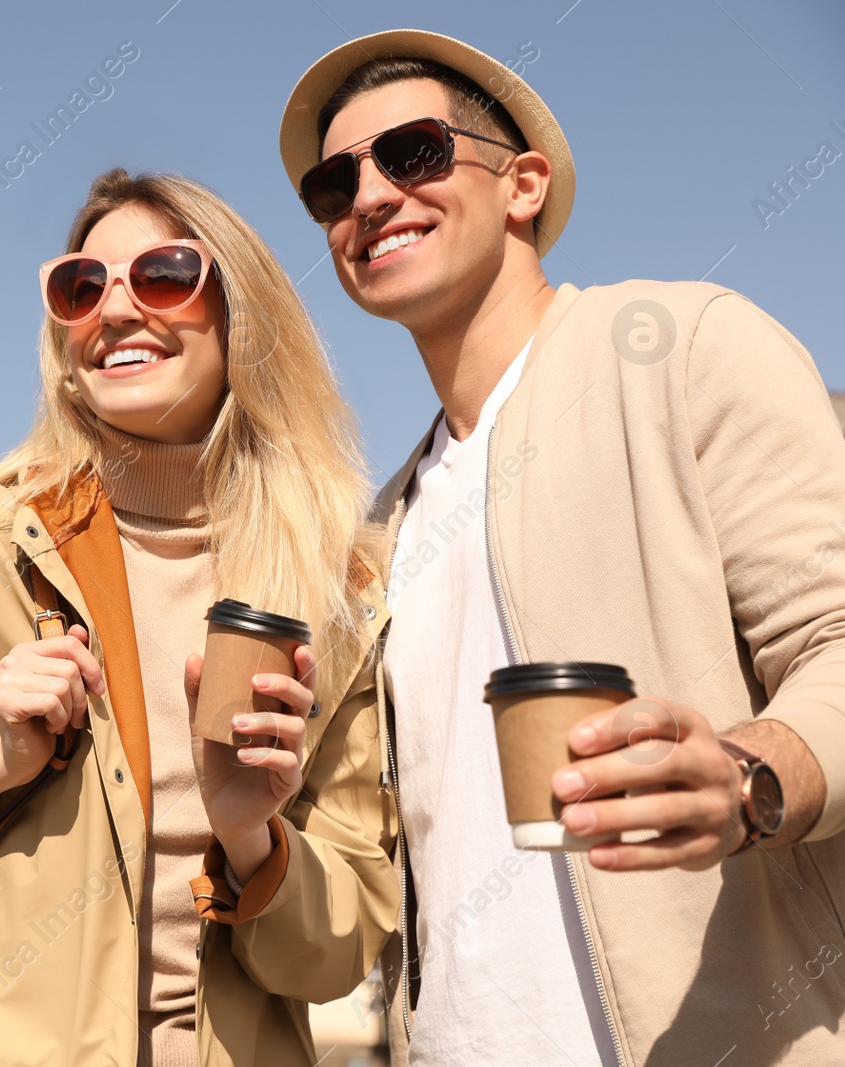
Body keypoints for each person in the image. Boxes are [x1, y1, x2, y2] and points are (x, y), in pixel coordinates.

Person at [276, 28, 845, 1067]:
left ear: (522, 184)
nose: (366, 196)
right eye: (331, 182)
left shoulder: (686, 347)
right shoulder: (380, 531)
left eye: (410, 153)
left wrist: (750, 776)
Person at [0, 168, 399, 1066]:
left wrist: (250, 833)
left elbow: (335, 954)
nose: (113, 310)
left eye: (165, 275)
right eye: (80, 287)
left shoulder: (338, 587)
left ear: (241, 312)